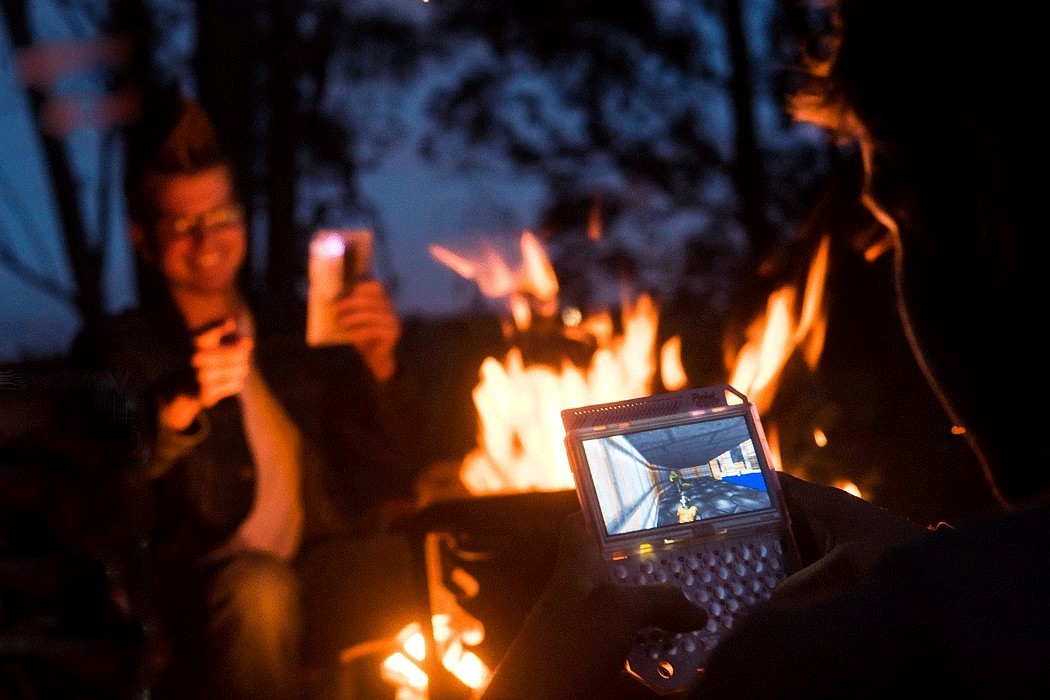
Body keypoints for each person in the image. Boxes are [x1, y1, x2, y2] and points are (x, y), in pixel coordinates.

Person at [479, 0, 1049, 697]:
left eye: (893, 227)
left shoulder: (820, 657)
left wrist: (532, 677)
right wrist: (937, 561)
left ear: (990, 214)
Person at [72, 91, 428, 700]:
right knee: (259, 588)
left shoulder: (293, 333)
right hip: (197, 589)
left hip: (318, 566)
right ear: (143, 238)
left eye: (221, 217)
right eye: (181, 225)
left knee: (422, 568)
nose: (207, 239)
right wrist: (181, 407)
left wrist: (381, 364)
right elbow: (104, 492)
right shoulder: (119, 348)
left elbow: (392, 460)